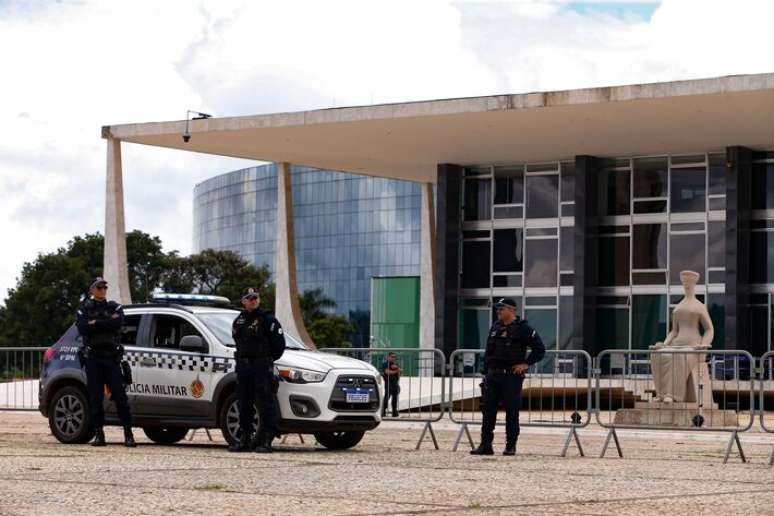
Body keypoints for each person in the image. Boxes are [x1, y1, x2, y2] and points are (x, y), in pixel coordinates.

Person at [471, 298, 545, 456]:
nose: (498, 312)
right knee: (488, 410)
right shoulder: (495, 327)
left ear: (511, 310)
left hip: (511, 377)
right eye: (497, 309)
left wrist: (525, 364)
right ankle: (486, 445)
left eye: (501, 309)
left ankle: (510, 445)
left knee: (511, 411)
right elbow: (488, 351)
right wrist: (485, 373)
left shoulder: (523, 328)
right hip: (493, 375)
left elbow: (539, 349)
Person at [76, 277, 135, 447]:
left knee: (120, 396)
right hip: (93, 358)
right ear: (92, 290)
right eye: (99, 287)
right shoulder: (83, 309)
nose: (102, 290)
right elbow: (82, 327)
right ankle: (99, 434)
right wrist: (105, 323)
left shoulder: (114, 306)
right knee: (95, 398)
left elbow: (117, 323)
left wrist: (95, 323)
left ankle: (128, 435)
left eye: (104, 287)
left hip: (110, 358)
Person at [229, 287, 285, 453]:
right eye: (249, 298)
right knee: (244, 402)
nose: (253, 300)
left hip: (261, 366)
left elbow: (279, 345)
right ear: (243, 301)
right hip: (244, 366)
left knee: (266, 402)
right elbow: (238, 342)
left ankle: (267, 439)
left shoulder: (268, 319)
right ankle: (245, 438)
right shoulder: (239, 320)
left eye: (255, 298)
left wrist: (266, 359)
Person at [381, 352, 401, 417]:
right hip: (388, 382)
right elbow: (387, 372)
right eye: (392, 357)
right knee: (387, 397)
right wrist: (397, 371)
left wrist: (398, 370)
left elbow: (400, 373)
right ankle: (383, 410)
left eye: (394, 357)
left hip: (395, 383)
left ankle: (394, 411)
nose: (393, 358)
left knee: (395, 398)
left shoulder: (396, 365)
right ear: (388, 357)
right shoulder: (385, 364)